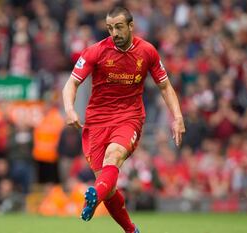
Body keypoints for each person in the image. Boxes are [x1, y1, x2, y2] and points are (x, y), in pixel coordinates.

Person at [62, 7, 185, 233]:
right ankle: (130, 230)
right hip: (97, 122)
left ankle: (93, 197)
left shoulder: (147, 51)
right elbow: (71, 83)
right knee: (108, 188)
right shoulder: (95, 52)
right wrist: (70, 109)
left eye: (119, 27)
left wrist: (177, 117)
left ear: (131, 26)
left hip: (130, 117)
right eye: (110, 28)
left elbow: (165, 86)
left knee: (114, 156)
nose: (114, 33)